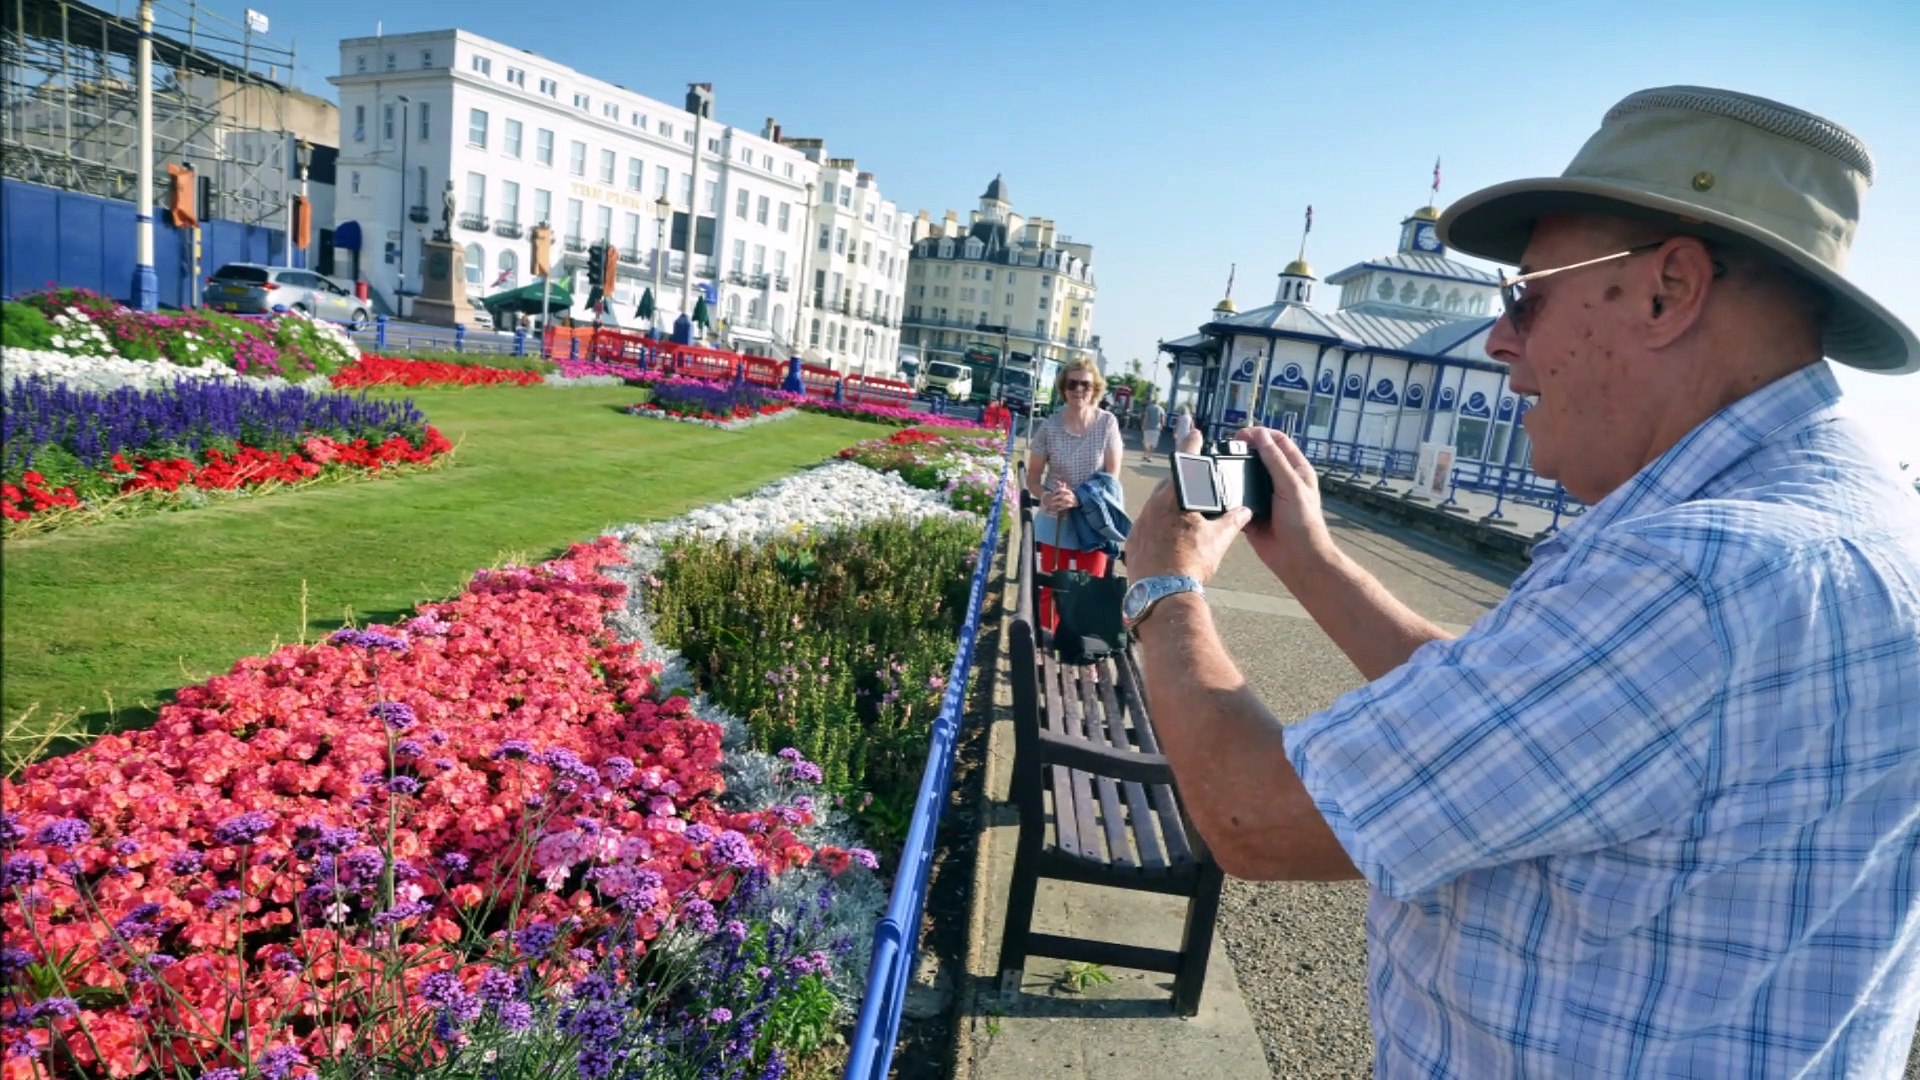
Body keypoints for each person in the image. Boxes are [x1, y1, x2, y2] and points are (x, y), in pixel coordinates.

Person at [1122, 86, 1920, 1077]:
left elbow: (1252, 815)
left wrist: (1162, 589)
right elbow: (1523, 722)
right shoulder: (1854, 526)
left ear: (1669, 289)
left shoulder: (1699, 573)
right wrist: (1317, 564)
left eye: (1526, 296)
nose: (1503, 339)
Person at [1026, 358, 1125, 630]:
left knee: (1088, 590)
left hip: (1093, 522)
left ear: (1095, 389)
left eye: (1086, 384)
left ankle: (1083, 653)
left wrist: (1079, 498)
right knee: (1050, 589)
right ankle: (1048, 647)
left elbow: (1111, 477)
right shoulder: (1049, 427)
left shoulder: (1107, 424)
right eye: (1072, 383)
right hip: (1055, 519)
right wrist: (1046, 498)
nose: (1079, 389)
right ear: (1063, 388)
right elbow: (1033, 477)